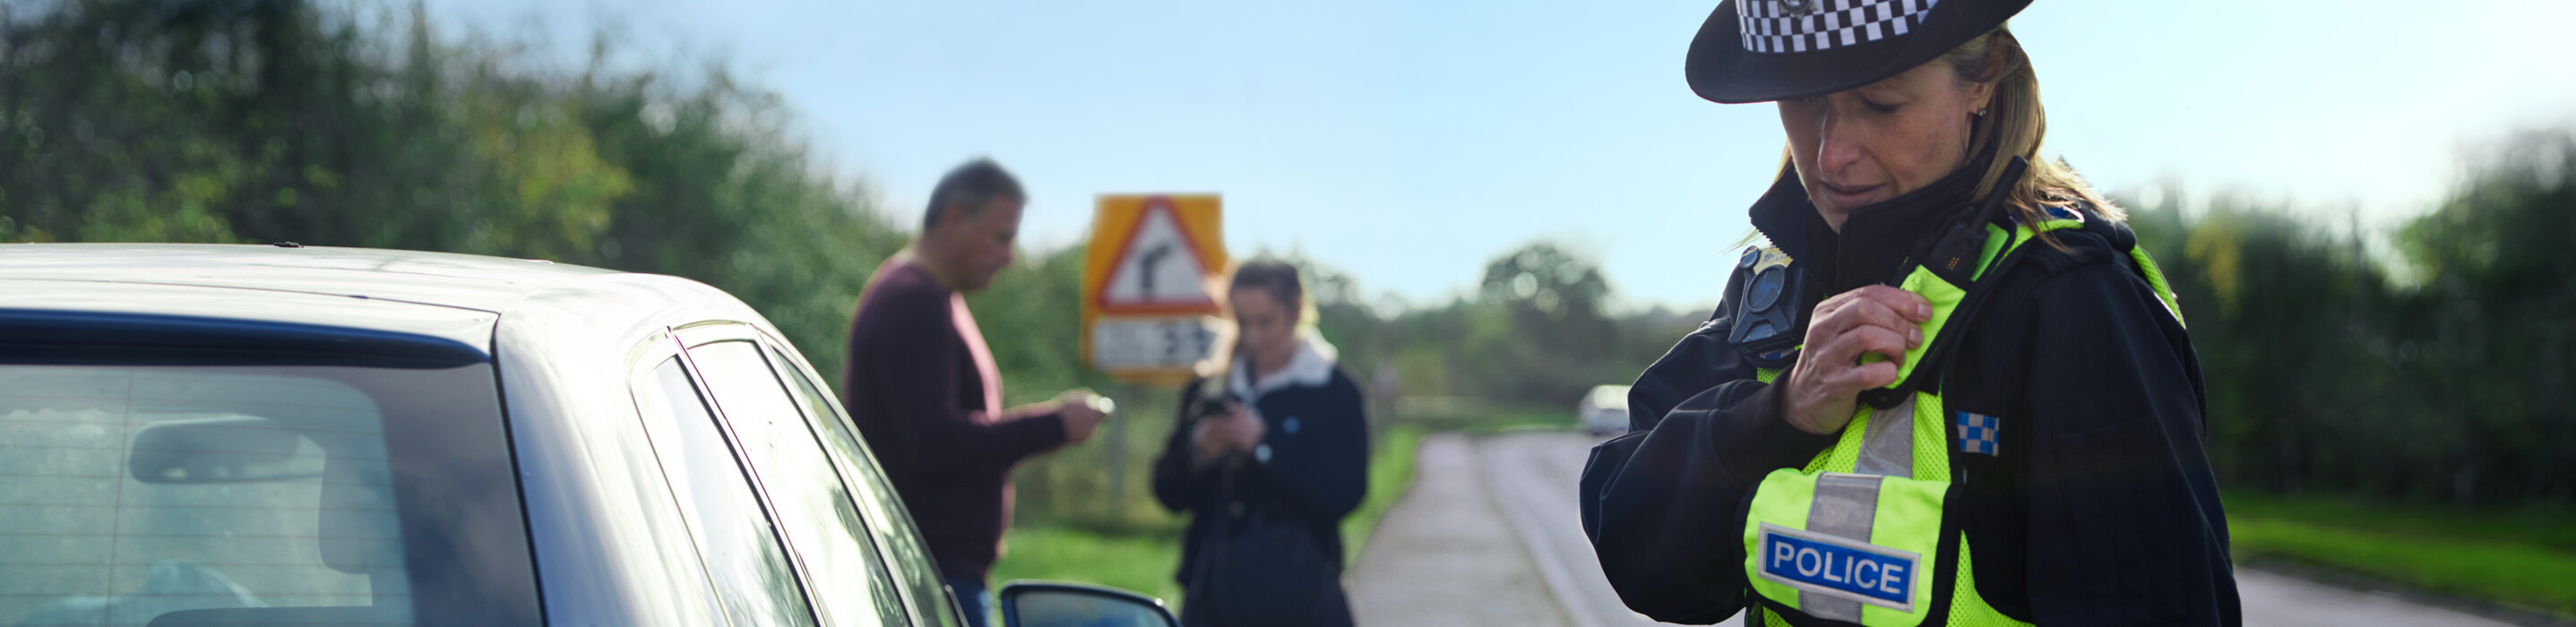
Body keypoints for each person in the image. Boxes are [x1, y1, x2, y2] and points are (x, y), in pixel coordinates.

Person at [1580, 2, 2241, 626]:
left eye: (1880, 103)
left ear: (1982, 79)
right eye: (1804, 103)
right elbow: (1638, 553)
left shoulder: (2071, 299)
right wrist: (1780, 415)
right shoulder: (1778, 283)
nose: (1831, 153)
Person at [843, 158, 1109, 627]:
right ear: (954, 217)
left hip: (936, 568)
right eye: (1001, 237)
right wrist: (1055, 424)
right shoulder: (913, 300)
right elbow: (934, 442)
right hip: (927, 572)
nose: (1009, 256)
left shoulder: (934, 296)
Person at [1151, 261, 1367, 627]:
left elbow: (1346, 494)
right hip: (1213, 600)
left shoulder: (1334, 390)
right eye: (1241, 321)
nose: (1252, 337)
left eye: (1265, 322)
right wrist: (1199, 454)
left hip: (1302, 600)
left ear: (1296, 311)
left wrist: (1266, 447)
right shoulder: (1210, 387)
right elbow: (1168, 493)